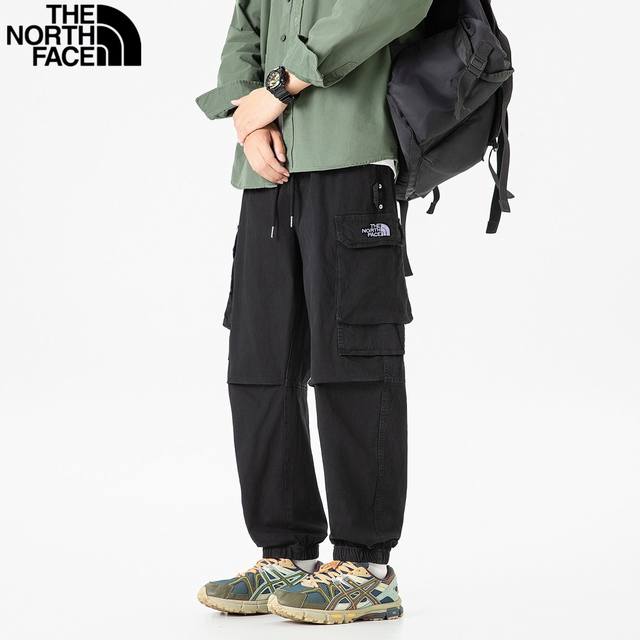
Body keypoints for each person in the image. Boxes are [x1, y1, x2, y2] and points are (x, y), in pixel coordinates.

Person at [196, 0, 431, 625]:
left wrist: (280, 87)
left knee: (354, 362)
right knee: (260, 365)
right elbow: (245, 27)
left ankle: (366, 567)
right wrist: (249, 121)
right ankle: (287, 553)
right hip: (265, 177)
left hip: (352, 161)